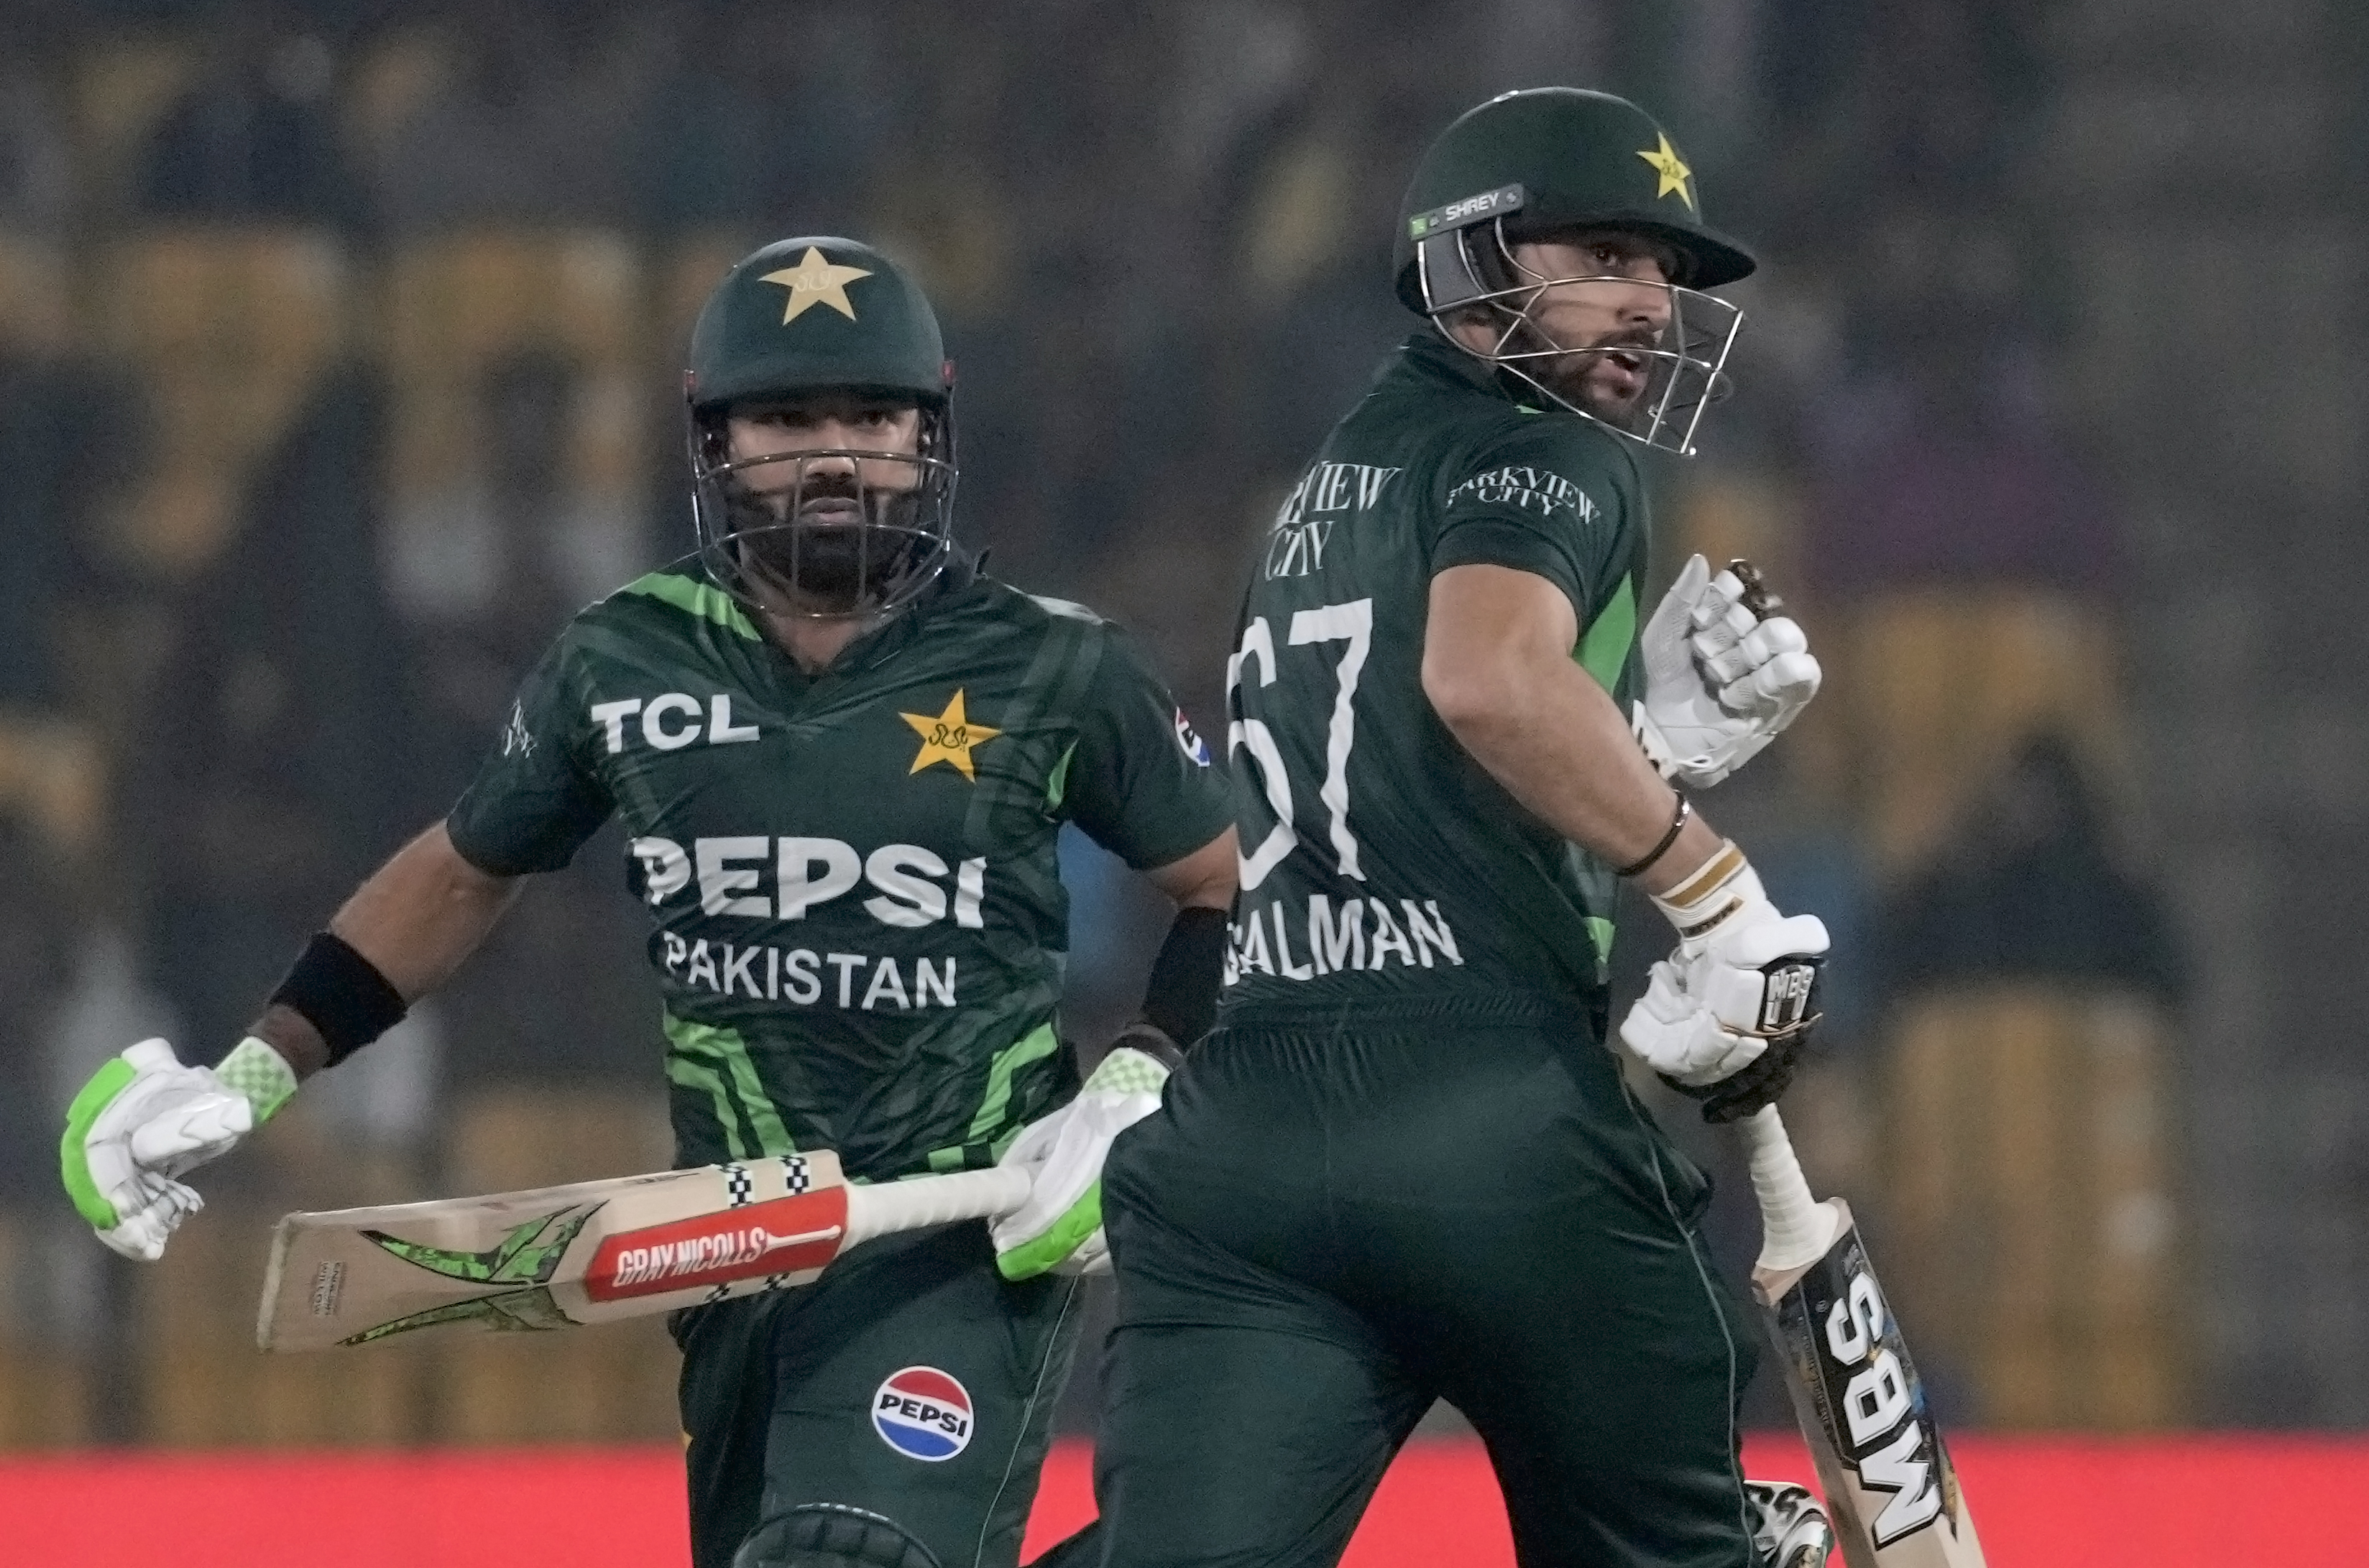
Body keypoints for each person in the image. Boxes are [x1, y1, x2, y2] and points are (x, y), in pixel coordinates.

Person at [59, 236, 1238, 1568]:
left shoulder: (1058, 666)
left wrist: (1134, 1079)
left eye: (873, 417)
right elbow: (463, 870)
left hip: (957, 1244)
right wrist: (261, 1068)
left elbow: (1226, 889)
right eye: (789, 419)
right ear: (715, 446)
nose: (836, 454)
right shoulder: (623, 658)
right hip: (725, 1249)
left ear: (930, 438)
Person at [1080, 90, 1834, 1568]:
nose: (1649, 305)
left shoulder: (1327, 481)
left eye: (1663, 274)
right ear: (1474, 259)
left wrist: (1637, 751)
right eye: (1606, 254)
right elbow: (1487, 680)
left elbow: (1390, 776)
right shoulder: (1557, 455)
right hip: (1488, 1120)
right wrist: (1710, 885)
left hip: (1242, 1144)